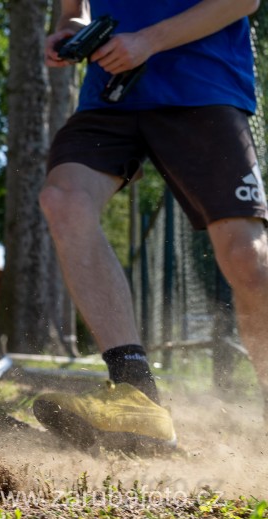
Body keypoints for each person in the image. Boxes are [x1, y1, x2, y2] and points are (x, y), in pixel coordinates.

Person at [34, 0, 268, 449]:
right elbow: (74, 10)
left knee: (247, 257)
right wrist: (70, 33)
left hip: (204, 86)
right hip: (112, 95)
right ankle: (137, 396)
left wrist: (147, 41)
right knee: (63, 199)